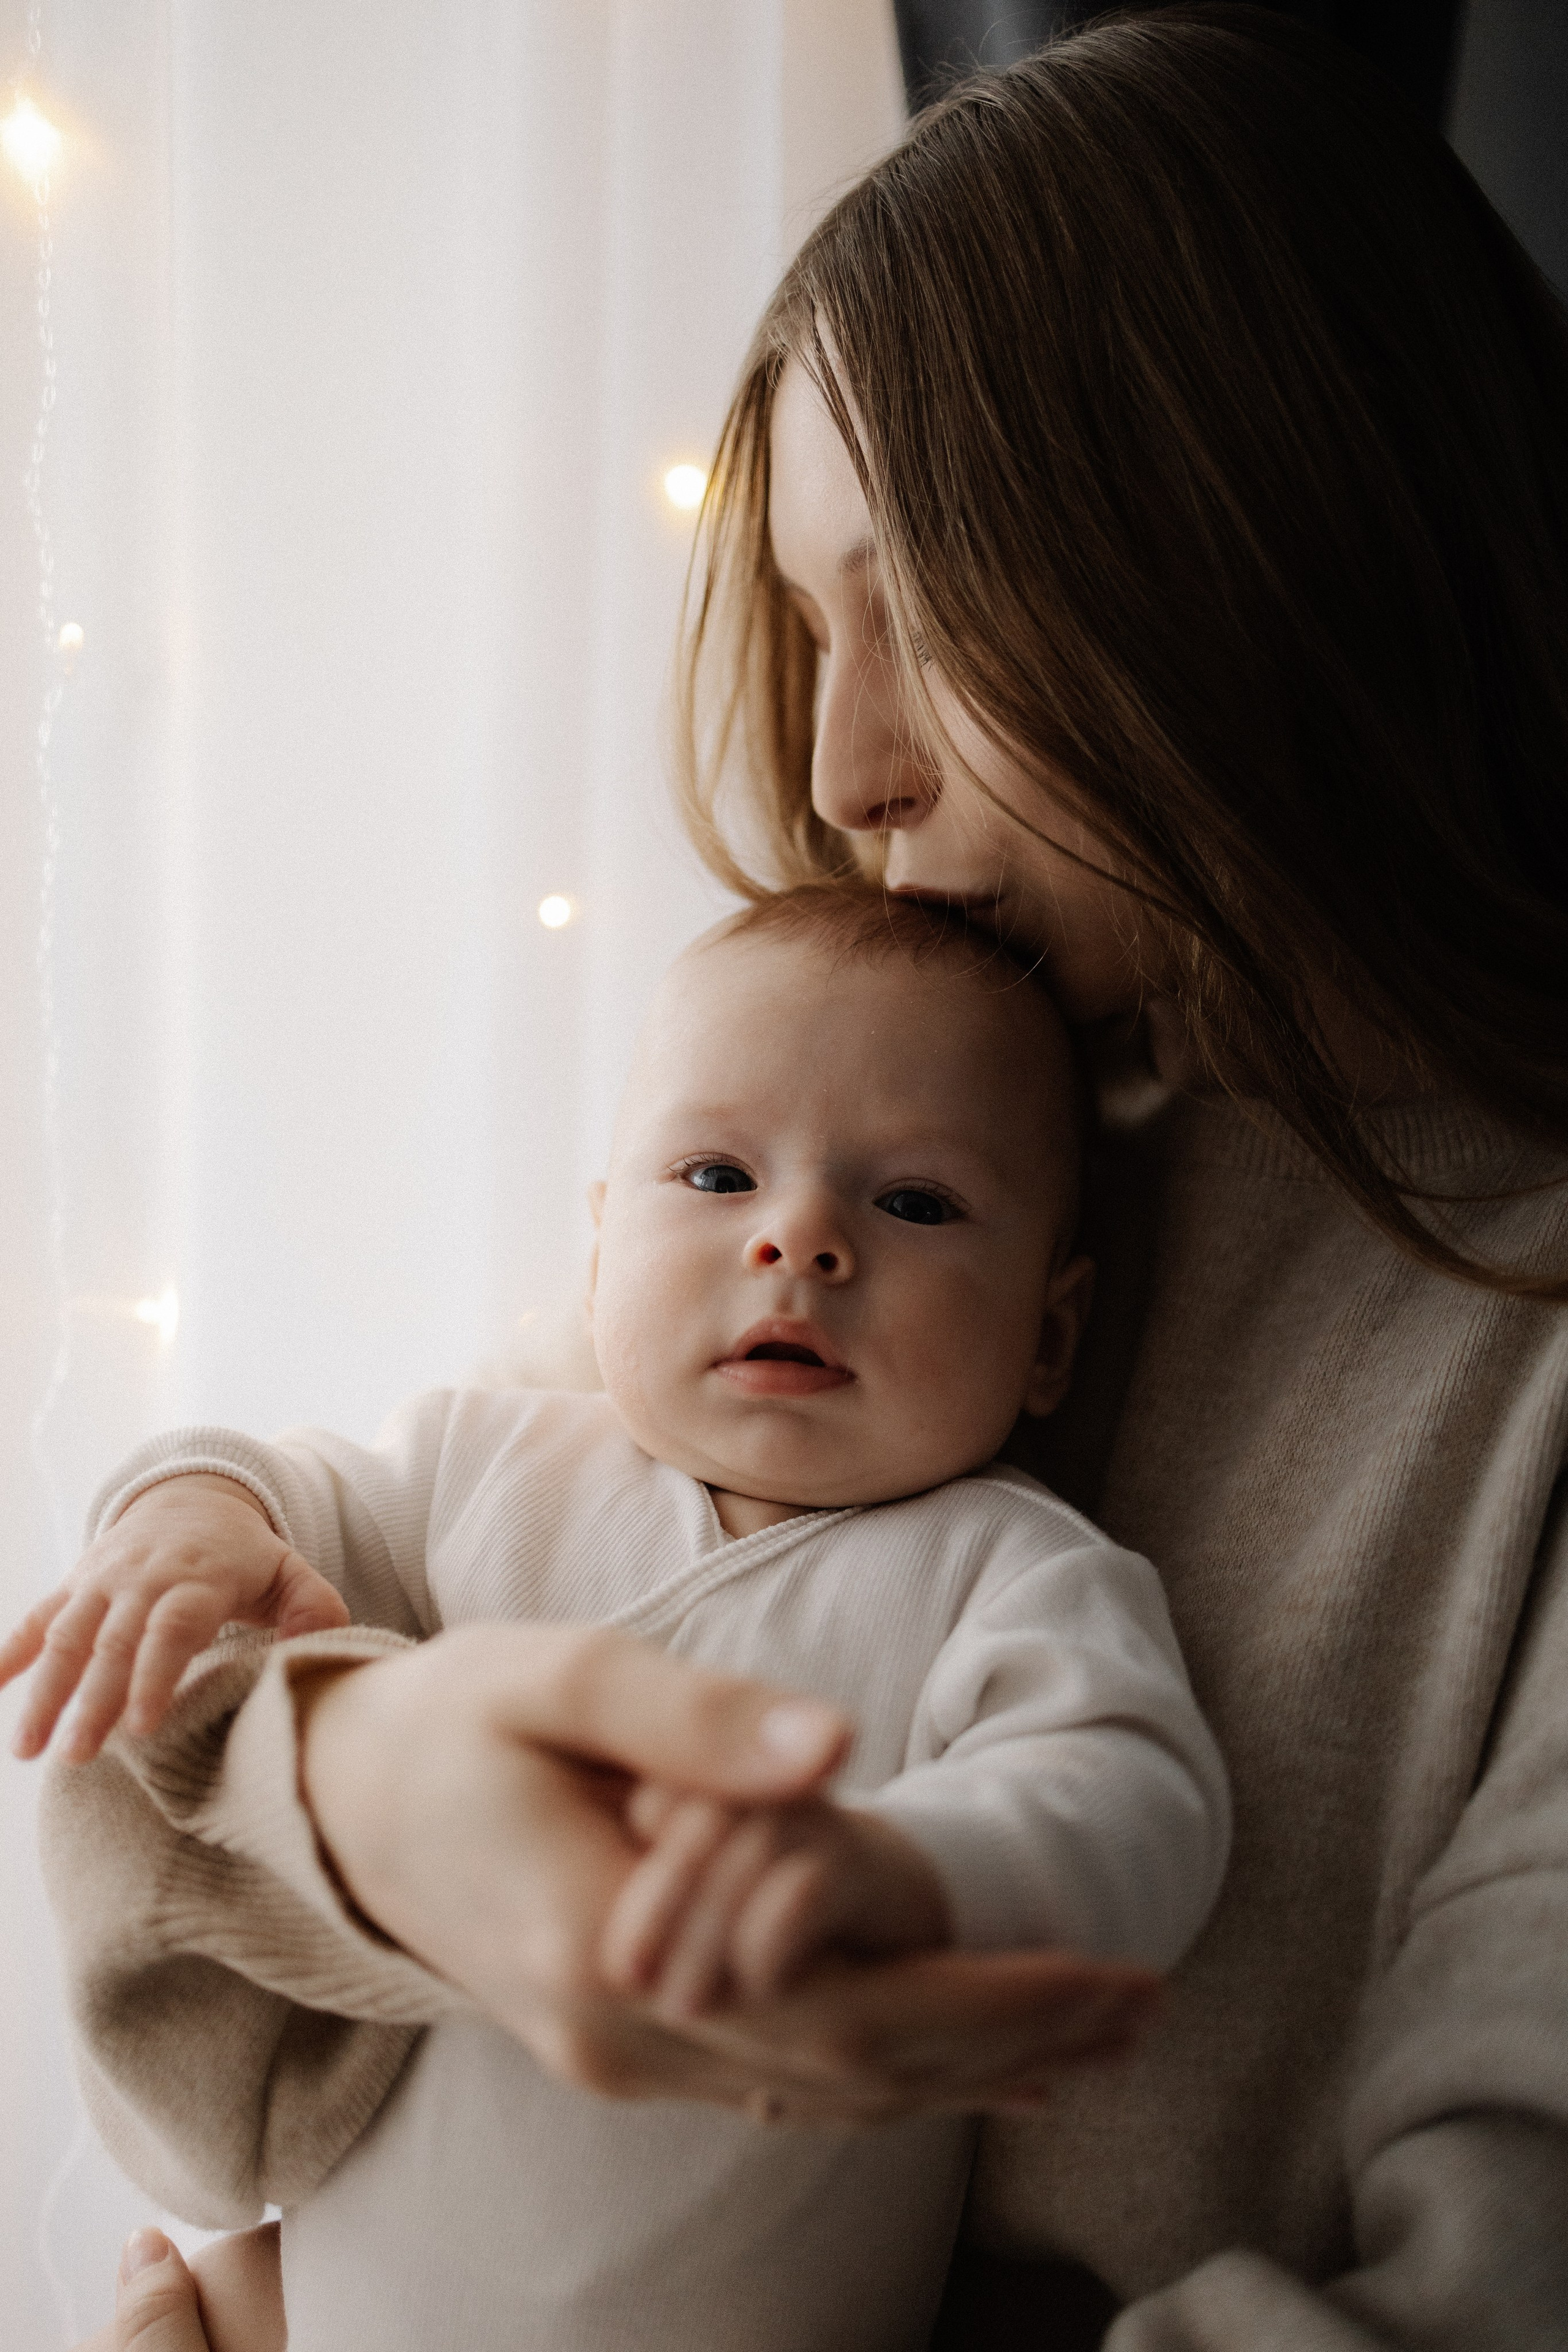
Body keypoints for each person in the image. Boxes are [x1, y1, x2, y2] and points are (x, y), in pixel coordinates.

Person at [36, 4, 1568, 2346]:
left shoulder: (1128, 1245)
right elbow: (183, 1830)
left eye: (920, 615)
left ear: (1250, 540)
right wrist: (362, 1779)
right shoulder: (867, 1140)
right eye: (809, 632)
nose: (846, 770)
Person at [21, 893, 1226, 2351]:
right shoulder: (485, 1459)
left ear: (1047, 1333)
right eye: (717, 1175)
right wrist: (189, 1511)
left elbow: (1132, 1796)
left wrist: (911, 1877)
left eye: (913, 1203)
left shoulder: (1009, 1569)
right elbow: (285, 1503)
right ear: (599, 1259)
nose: (797, 1239)